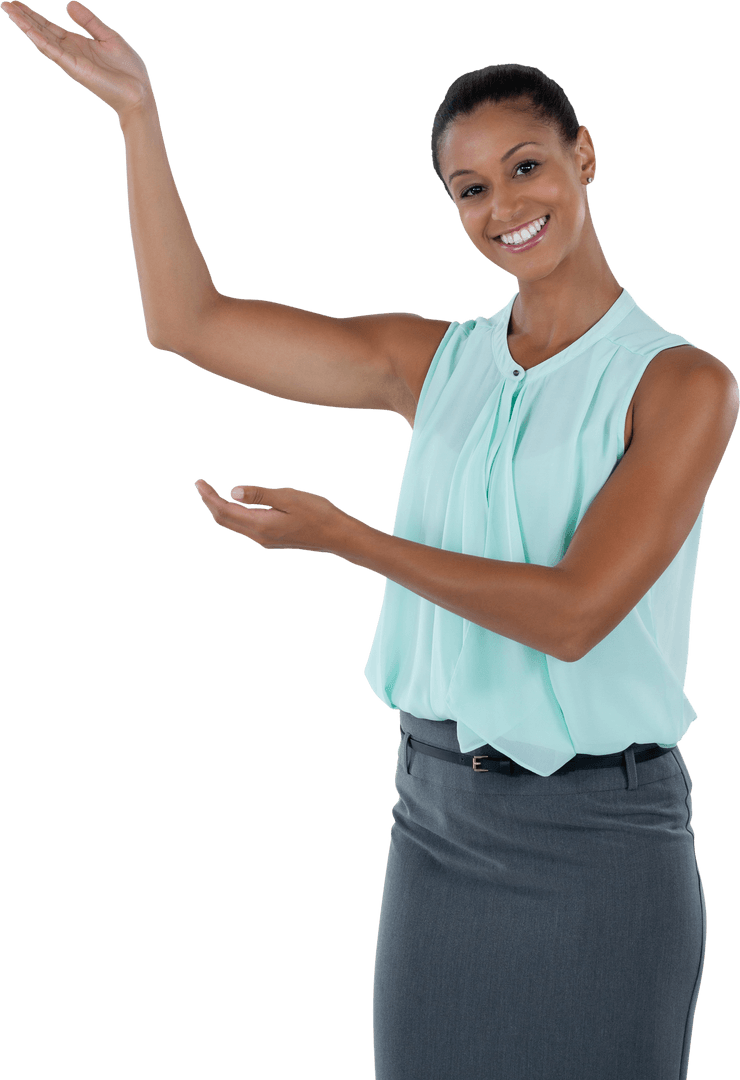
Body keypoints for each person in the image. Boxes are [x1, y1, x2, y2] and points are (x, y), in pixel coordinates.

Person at [4, 6, 736, 1078]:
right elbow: (188, 322)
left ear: (583, 155)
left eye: (526, 165)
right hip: (436, 822)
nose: (504, 206)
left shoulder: (679, 384)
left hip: (599, 840)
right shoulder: (430, 361)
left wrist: (351, 540)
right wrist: (138, 118)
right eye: (470, 189)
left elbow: (576, 614)